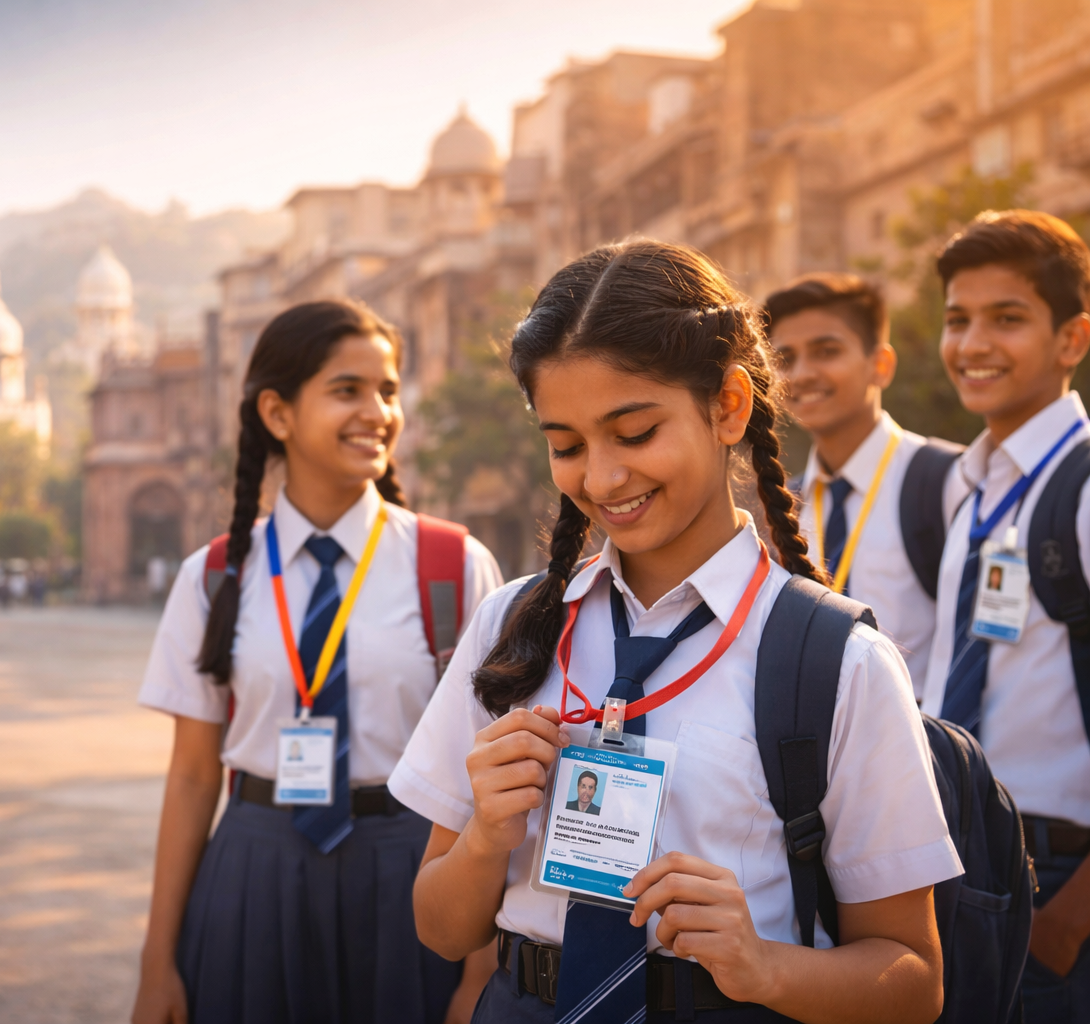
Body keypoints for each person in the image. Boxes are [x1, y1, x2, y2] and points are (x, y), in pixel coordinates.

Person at [390, 240, 962, 1022]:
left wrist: (763, 966)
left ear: (728, 405)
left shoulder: (838, 662)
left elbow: (914, 978)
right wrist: (489, 834)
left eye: (633, 433)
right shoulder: (515, 627)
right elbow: (440, 928)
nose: (600, 478)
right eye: (565, 445)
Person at [131, 300, 504, 1024]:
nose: (377, 412)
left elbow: (484, 772)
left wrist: (481, 968)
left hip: (412, 867)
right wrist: (156, 963)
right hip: (255, 869)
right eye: (347, 390)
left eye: (388, 391)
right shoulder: (213, 577)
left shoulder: (452, 565)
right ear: (277, 413)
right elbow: (191, 775)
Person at [918, 210, 1090, 1022]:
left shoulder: (1083, 491)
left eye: (1007, 318)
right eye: (958, 320)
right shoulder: (973, 487)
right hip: (966, 865)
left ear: (1072, 339)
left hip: (1058, 881)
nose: (973, 343)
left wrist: (1066, 923)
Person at [765, 273, 945, 689]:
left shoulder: (944, 478)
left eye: (826, 351)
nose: (804, 373)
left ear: (880, 365)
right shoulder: (781, 502)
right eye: (786, 359)